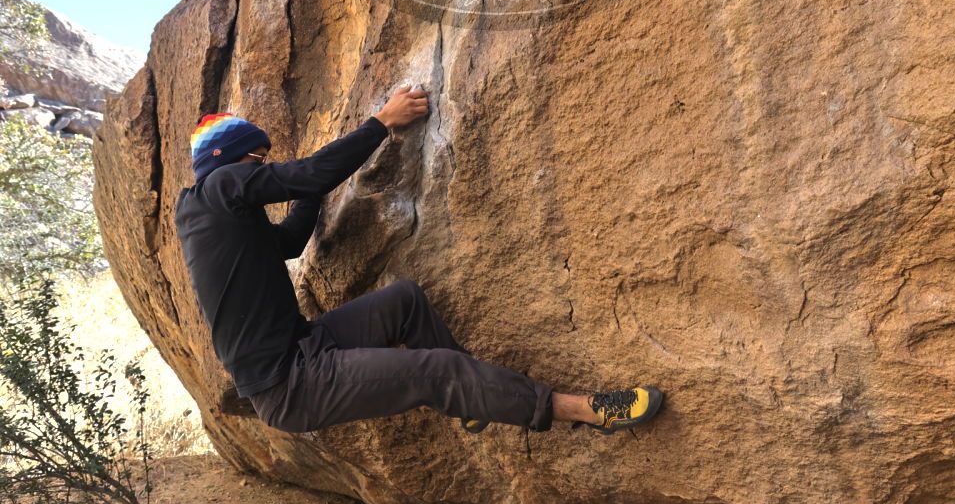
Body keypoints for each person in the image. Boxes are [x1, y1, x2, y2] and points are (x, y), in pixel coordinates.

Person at [174, 85, 663, 436]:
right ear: (226, 160)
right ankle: (586, 410)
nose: (262, 169)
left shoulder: (215, 216)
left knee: (404, 301)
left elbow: (288, 242)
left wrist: (311, 194)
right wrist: (381, 122)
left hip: (304, 347)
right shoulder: (218, 187)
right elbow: (307, 175)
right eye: (257, 161)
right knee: (436, 371)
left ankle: (477, 398)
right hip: (289, 386)